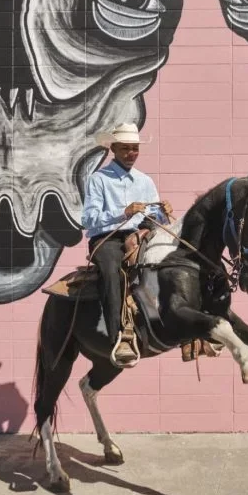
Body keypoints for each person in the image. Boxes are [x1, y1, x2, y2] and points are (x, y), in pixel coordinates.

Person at [81, 123, 173, 368]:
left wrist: (163, 214)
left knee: (166, 263)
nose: (132, 153)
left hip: (137, 235)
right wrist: (123, 212)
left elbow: (152, 218)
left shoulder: (145, 181)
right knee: (112, 272)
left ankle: (175, 327)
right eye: (126, 149)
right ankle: (118, 336)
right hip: (106, 238)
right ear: (113, 148)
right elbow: (88, 219)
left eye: (135, 149)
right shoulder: (98, 179)